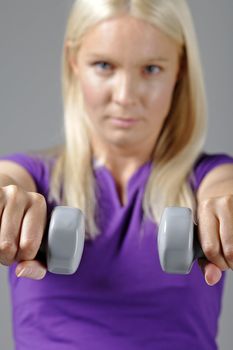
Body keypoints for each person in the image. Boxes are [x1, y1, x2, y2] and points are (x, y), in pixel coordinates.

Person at [0, 0, 233, 349]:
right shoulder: (33, 176)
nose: (125, 96)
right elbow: (8, 182)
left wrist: (225, 211)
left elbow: (223, 191)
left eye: (151, 69)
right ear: (73, 62)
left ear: (179, 71)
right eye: (104, 65)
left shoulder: (209, 177)